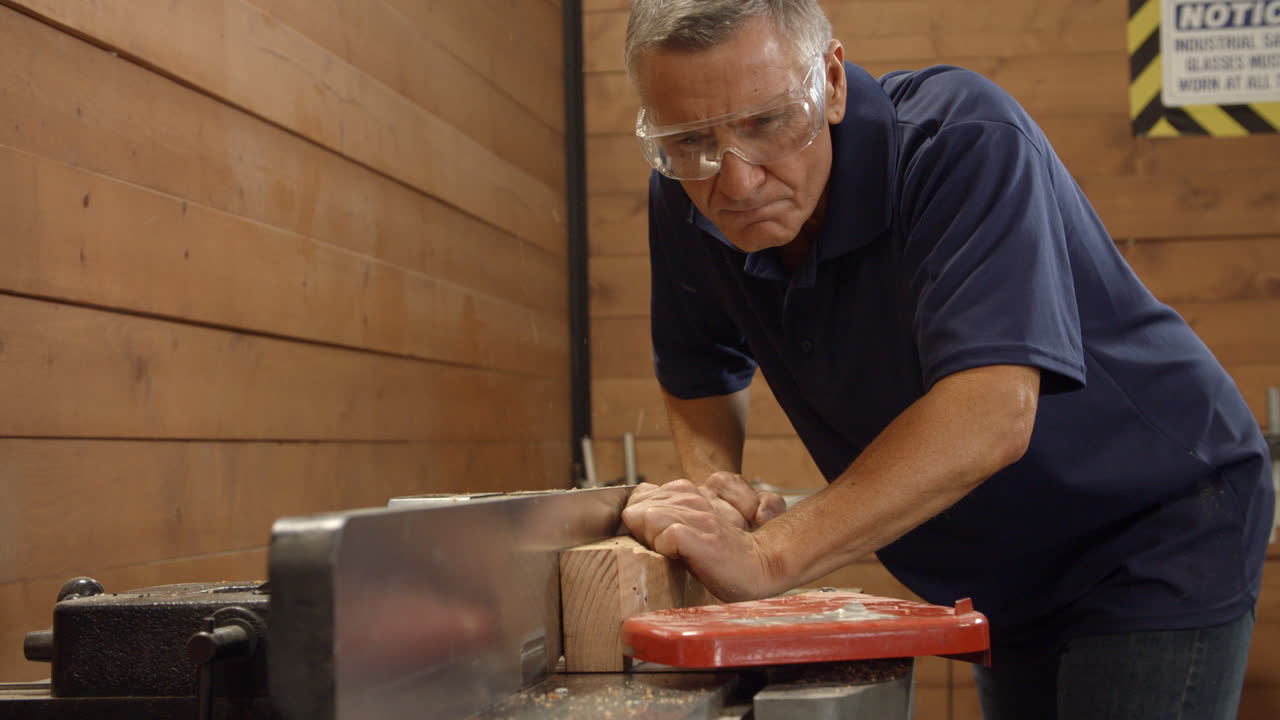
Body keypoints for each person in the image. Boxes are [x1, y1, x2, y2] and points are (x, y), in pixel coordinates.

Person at [616, 1, 1275, 718]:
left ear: (831, 83)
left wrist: (769, 556)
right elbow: (699, 367)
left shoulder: (962, 141)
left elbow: (991, 412)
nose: (735, 183)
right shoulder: (688, 194)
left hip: (1155, 520)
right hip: (1002, 561)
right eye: (690, 143)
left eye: (768, 122)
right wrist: (719, 489)